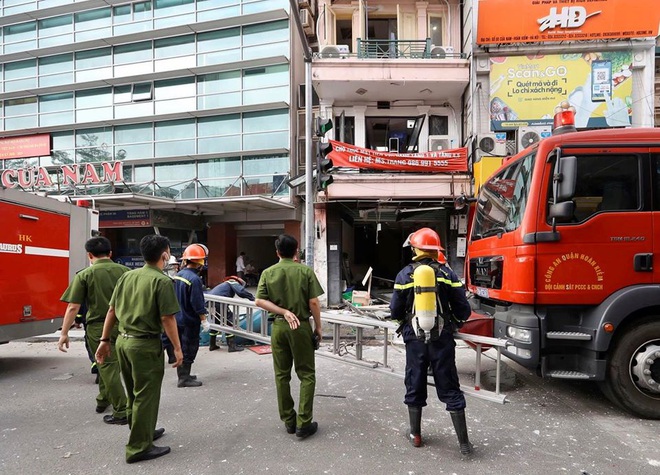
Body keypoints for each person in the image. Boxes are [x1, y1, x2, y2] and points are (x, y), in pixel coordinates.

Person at [96, 234, 183, 464]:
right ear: (165, 255)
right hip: (144, 344)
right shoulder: (162, 281)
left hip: (123, 342)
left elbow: (112, 311)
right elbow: (167, 319)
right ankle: (139, 448)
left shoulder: (127, 276)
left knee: (135, 391)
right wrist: (177, 348)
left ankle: (143, 432)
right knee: (146, 394)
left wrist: (104, 341)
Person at [389, 227, 473, 454]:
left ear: (415, 249)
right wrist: (452, 323)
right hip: (442, 340)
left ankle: (415, 435)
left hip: (414, 340)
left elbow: (395, 310)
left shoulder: (404, 275)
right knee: (450, 387)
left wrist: (406, 322)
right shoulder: (448, 275)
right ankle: (464, 444)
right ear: (436, 250)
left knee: (414, 383)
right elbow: (464, 310)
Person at [255, 234, 324, 439]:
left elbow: (259, 301)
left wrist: (282, 311)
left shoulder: (268, 273)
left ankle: (289, 420)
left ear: (277, 252)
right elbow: (313, 303)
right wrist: (318, 327)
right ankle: (304, 423)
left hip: (278, 327)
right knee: (307, 374)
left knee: (281, 375)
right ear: (296, 251)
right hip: (300, 327)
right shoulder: (305, 271)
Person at [59, 236, 129, 423]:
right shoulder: (126, 272)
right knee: (107, 366)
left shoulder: (84, 275)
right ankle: (103, 399)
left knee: (107, 367)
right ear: (110, 253)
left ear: (89, 255)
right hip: (123, 325)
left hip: (98, 327)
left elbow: (73, 306)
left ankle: (122, 410)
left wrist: (64, 333)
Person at [167, 243, 210, 388]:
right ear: (200, 262)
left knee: (181, 346)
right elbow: (197, 303)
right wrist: (203, 320)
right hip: (189, 321)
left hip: (177, 318)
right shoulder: (195, 279)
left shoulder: (179, 275)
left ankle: (184, 374)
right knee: (190, 348)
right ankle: (184, 378)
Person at [207, 276, 255, 352]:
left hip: (210, 303)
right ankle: (232, 346)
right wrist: (253, 299)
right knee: (229, 322)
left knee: (215, 323)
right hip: (218, 303)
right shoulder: (232, 282)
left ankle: (212, 345)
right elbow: (241, 292)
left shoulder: (223, 285)